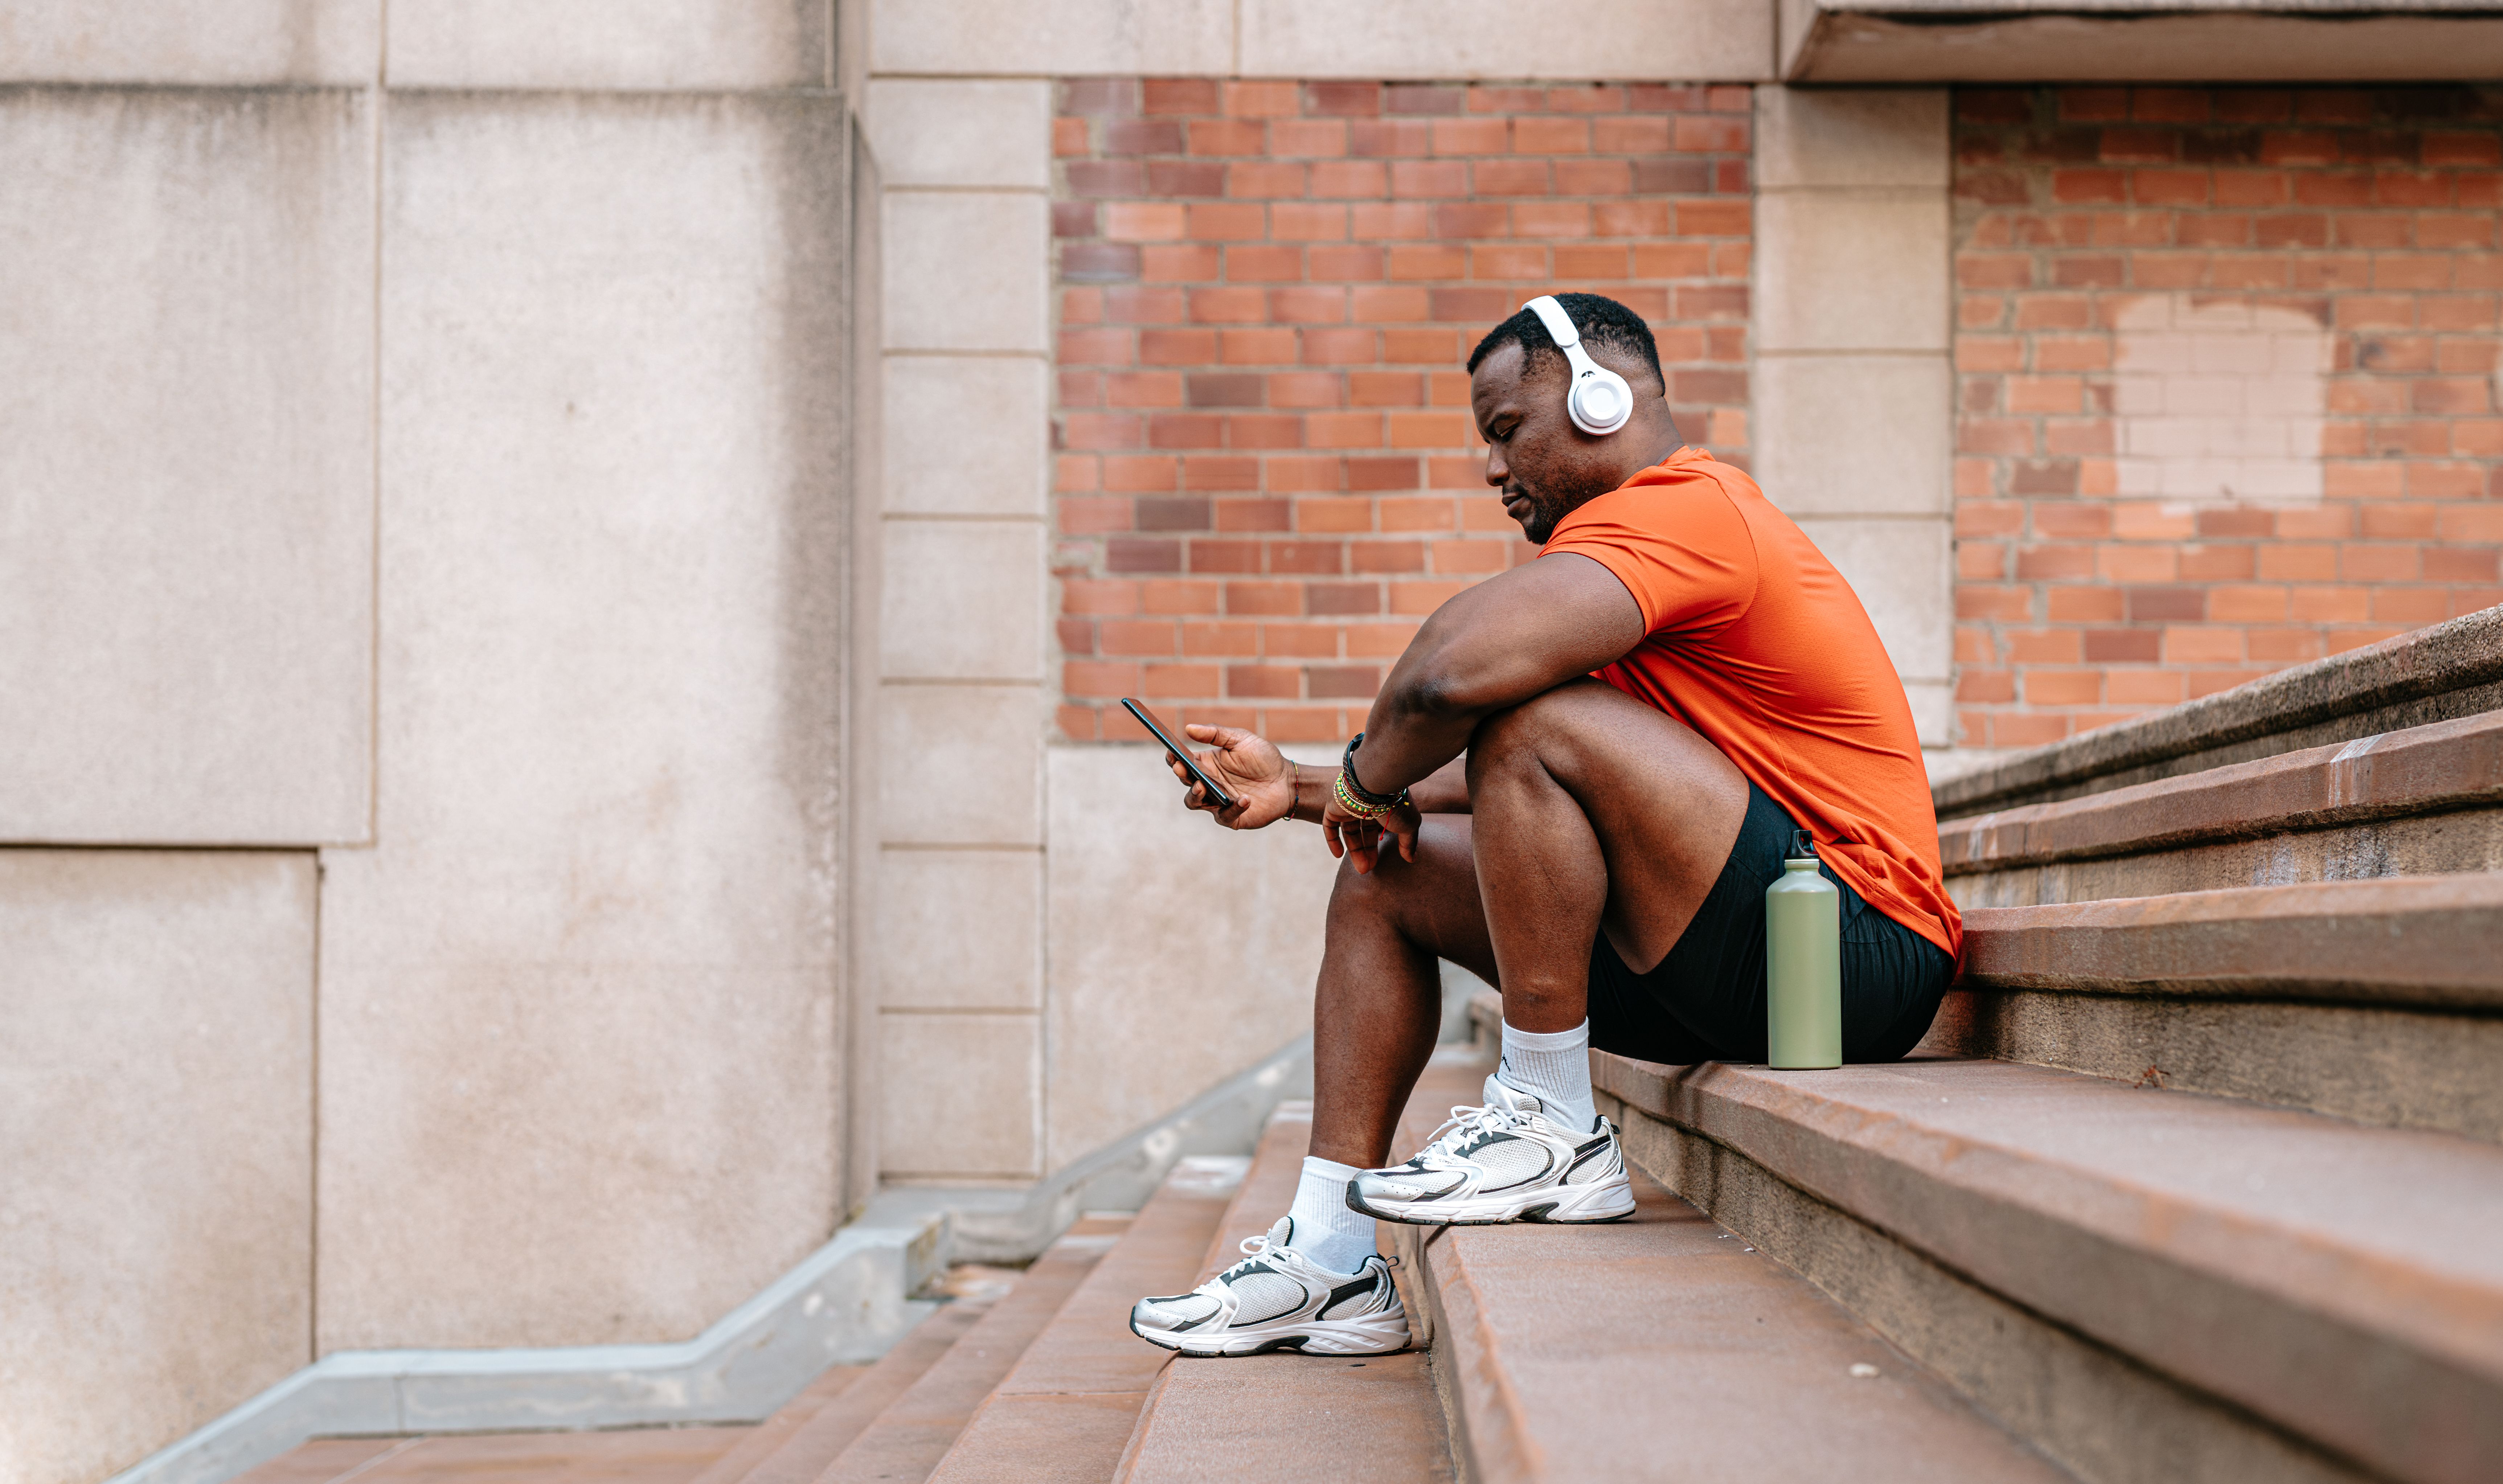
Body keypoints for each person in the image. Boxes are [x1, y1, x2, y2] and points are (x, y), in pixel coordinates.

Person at [1127, 292, 1961, 1359]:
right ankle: (1328, 1263)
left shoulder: (1691, 509)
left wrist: (1351, 778)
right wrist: (1298, 787)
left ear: (1600, 396)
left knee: (1523, 711)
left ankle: (1551, 1121)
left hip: (1856, 950)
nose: (1491, 467)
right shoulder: (1617, 573)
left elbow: (1449, 677)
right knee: (1384, 872)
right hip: (1720, 950)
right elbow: (1503, 769)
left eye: (1506, 428)